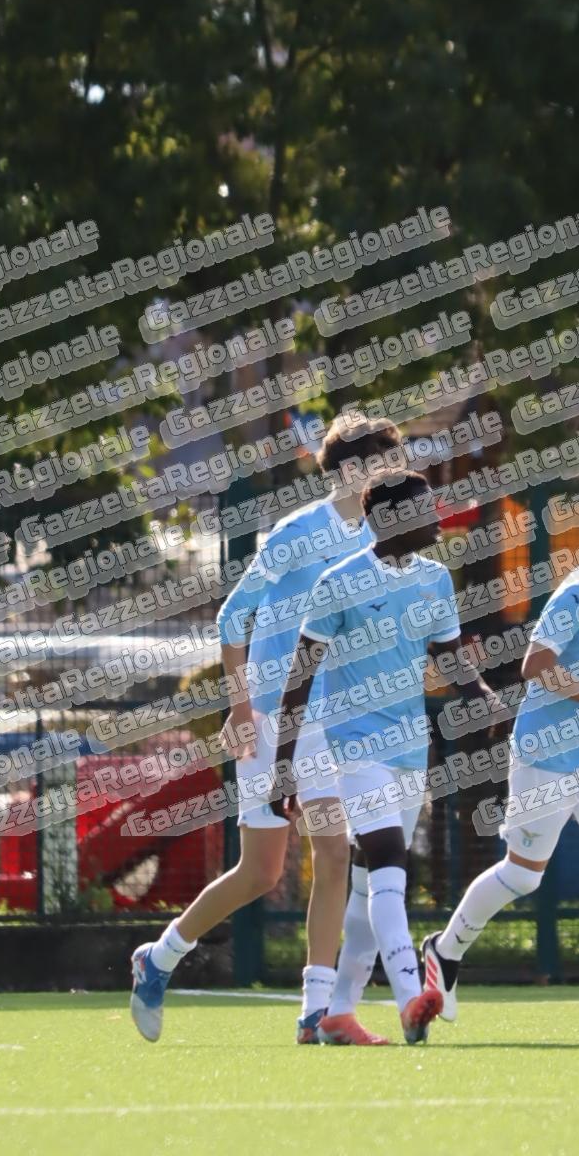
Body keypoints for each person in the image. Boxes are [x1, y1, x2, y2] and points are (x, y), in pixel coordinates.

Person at [129, 412, 402, 1045]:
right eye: (382, 461)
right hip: (271, 719)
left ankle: (316, 1014)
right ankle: (159, 957)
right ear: (350, 469)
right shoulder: (296, 533)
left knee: (334, 853)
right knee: (261, 873)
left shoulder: (382, 539)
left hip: (330, 721)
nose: (392, 472)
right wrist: (240, 708)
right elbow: (233, 618)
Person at [422, 476, 579, 1031]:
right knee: (523, 875)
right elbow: (536, 665)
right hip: (546, 751)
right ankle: (444, 951)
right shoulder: (577, 592)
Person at [270, 470, 499, 1045]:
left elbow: (449, 657)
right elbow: (298, 680)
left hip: (410, 751)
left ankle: (337, 1013)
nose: (437, 517)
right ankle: (409, 1000)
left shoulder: (435, 579)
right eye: (424, 508)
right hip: (355, 749)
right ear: (389, 519)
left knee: (369, 886)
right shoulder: (338, 583)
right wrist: (283, 766)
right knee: (391, 863)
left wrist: (481, 694)